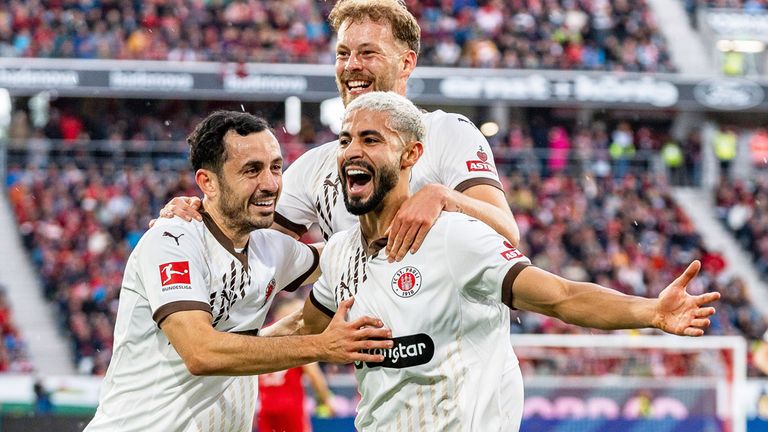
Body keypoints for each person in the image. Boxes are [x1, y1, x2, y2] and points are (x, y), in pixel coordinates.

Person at [299, 92, 720, 431]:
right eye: (344, 140)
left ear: (411, 155)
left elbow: (560, 296)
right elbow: (305, 332)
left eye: (370, 139)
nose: (352, 150)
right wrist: (243, 347)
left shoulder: (454, 237)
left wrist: (648, 310)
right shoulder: (338, 253)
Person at [84, 111, 393, 432]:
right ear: (208, 182)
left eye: (276, 167)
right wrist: (322, 346)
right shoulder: (173, 240)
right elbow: (201, 352)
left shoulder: (272, 248)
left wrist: (431, 201)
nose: (271, 184)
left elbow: (345, 254)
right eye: (252, 170)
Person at [159, 0, 519, 262]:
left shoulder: (447, 132)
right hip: (375, 365)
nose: (352, 66)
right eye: (342, 54)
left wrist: (445, 197)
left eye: (368, 53)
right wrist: (197, 216)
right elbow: (255, 249)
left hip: (460, 362)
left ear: (406, 62)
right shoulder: (319, 165)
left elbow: (507, 232)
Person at [256, 297, 336, 432]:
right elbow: (313, 374)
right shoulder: (295, 338)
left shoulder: (260, 336)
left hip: (265, 408)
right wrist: (326, 399)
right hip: (291, 407)